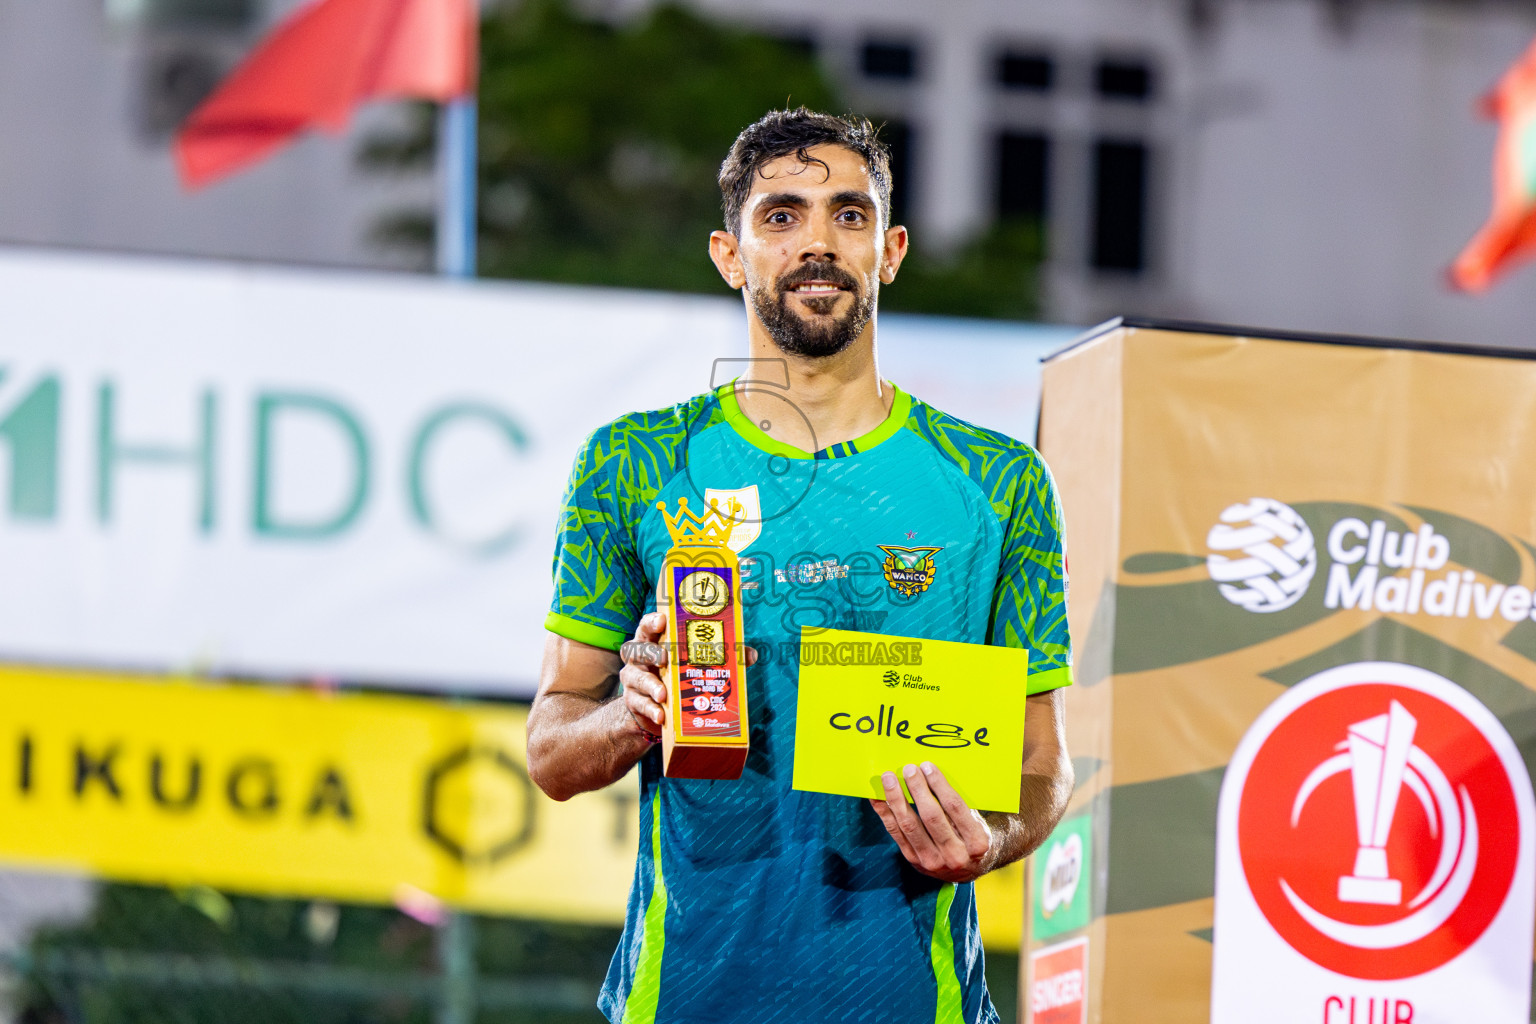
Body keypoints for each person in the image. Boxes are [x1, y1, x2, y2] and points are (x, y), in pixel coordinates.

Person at [527, 108, 1074, 1024]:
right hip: (685, 998)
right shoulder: (633, 463)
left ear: (890, 249)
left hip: (915, 1000)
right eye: (781, 216)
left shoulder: (1000, 483)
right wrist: (633, 716)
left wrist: (991, 837)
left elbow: (1042, 765)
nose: (817, 242)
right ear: (729, 255)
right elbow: (551, 746)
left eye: (848, 215)